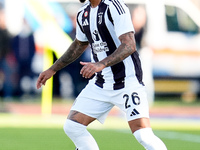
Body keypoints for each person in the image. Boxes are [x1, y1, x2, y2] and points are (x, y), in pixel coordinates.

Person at [36, 0, 167, 149]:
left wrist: (101, 64)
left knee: (143, 134)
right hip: (101, 83)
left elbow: (129, 44)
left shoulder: (115, 6)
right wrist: (53, 69)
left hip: (127, 82)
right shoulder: (83, 13)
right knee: (73, 126)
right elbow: (79, 44)